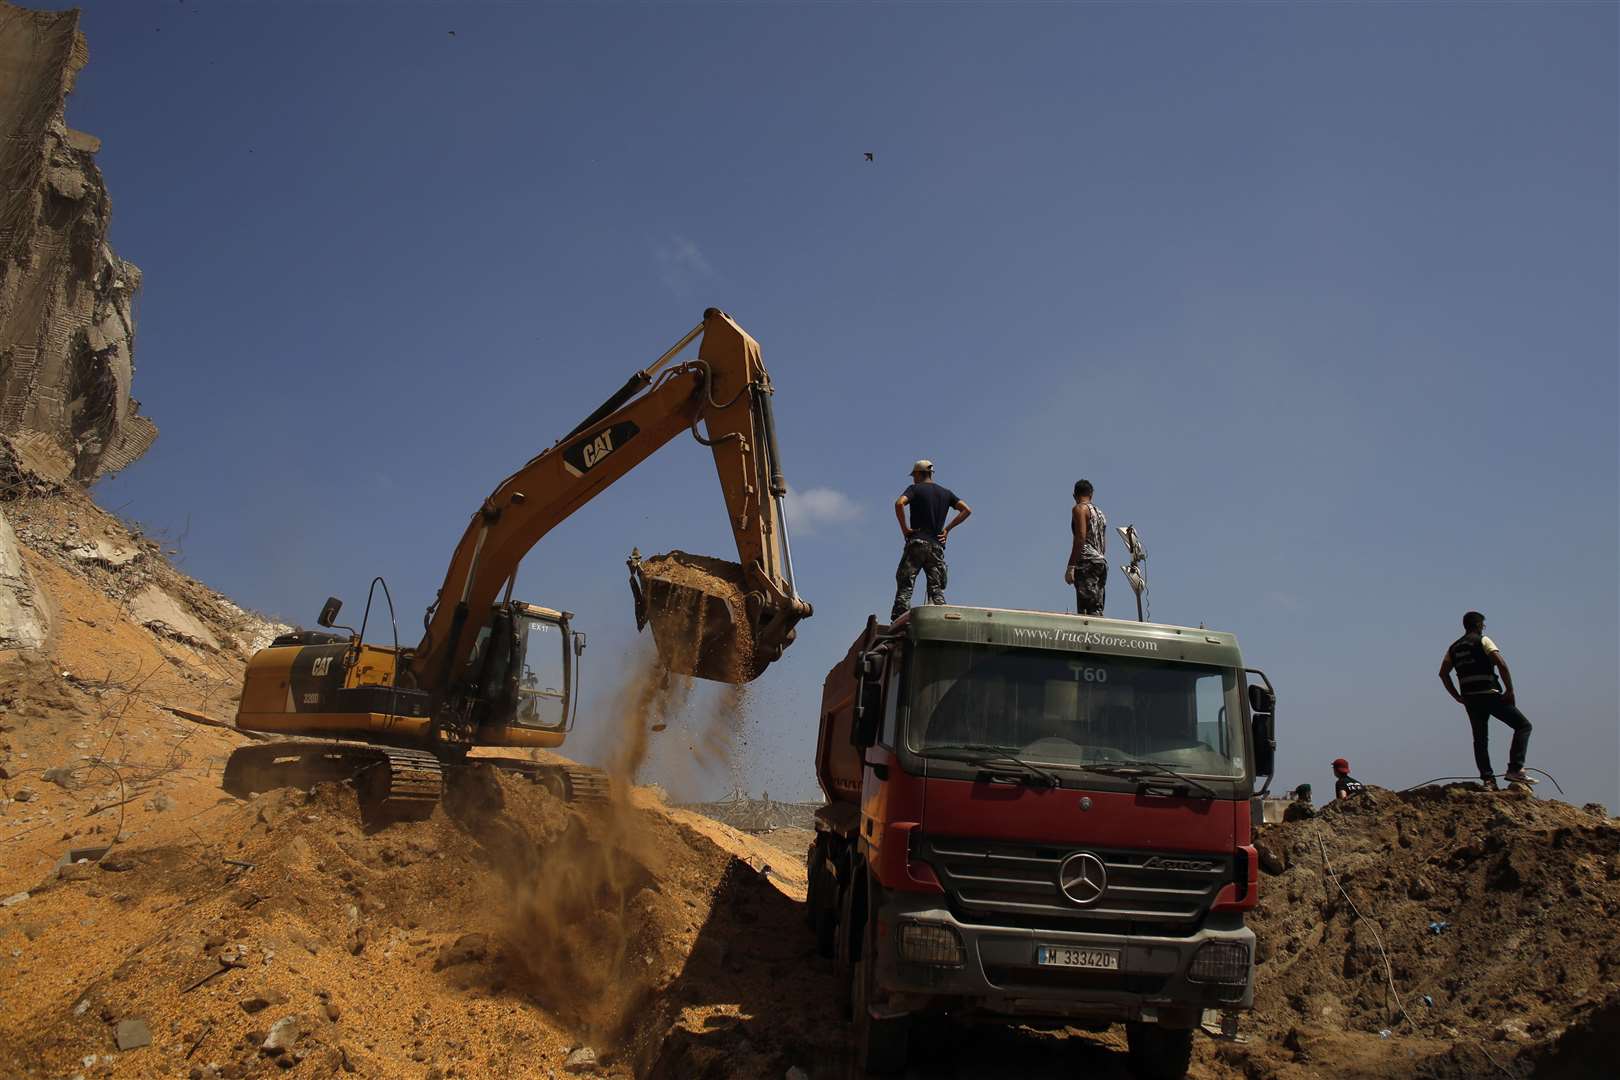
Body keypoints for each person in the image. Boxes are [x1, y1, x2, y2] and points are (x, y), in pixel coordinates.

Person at [1438, 611, 1534, 790]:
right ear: (1478, 625)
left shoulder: (1454, 647)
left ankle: (1488, 780)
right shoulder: (1483, 640)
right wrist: (1510, 690)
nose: (1483, 628)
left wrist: (1457, 696)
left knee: (1480, 739)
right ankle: (1515, 769)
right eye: (1483, 625)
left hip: (1470, 699)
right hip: (1490, 694)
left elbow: (1443, 673)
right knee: (1523, 726)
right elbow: (1501, 664)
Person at [891, 460, 971, 620]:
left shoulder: (915, 489)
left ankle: (899, 619)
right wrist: (947, 529)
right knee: (936, 588)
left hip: (917, 543)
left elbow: (899, 503)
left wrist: (905, 529)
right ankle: (940, 617)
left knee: (906, 581)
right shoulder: (946, 493)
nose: (913, 479)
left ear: (919, 474)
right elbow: (966, 510)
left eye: (914, 475)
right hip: (936, 546)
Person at [1064, 479, 1108, 616]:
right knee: (1096, 609)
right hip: (1100, 563)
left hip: (1086, 563)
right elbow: (1103, 544)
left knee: (1086, 613)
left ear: (1074, 495)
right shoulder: (1100, 514)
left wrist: (1071, 566)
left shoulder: (1079, 509)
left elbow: (1080, 537)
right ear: (1091, 494)